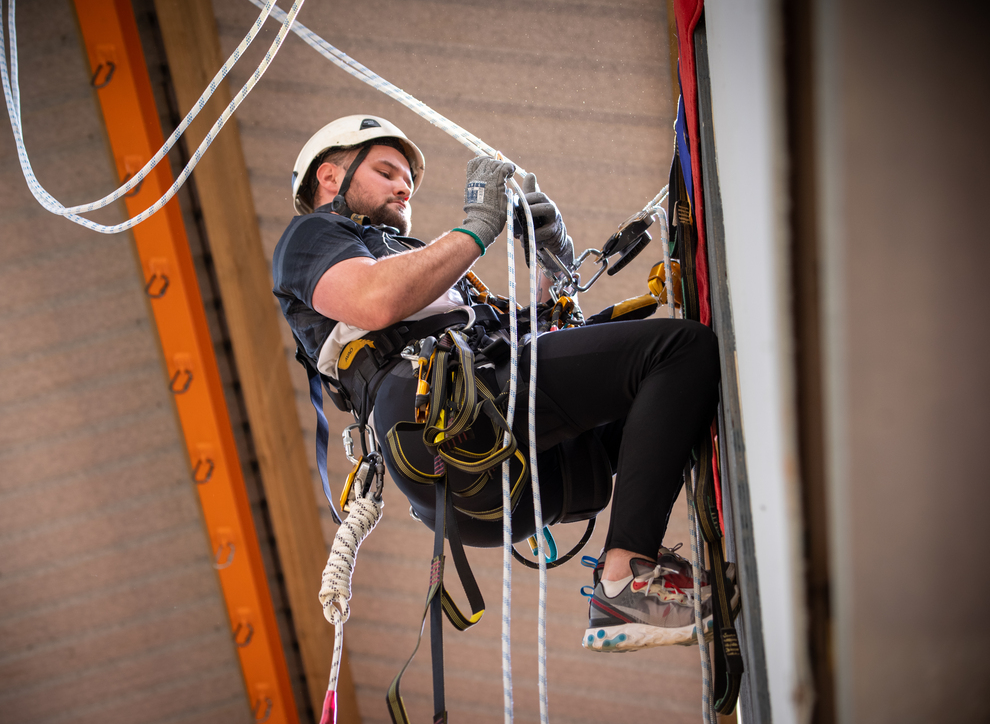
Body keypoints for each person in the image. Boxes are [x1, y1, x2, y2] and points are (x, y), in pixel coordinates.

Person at [272, 114, 729, 652]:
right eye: (387, 171)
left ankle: (630, 583)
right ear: (330, 177)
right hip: (449, 423)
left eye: (408, 182)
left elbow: (531, 338)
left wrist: (552, 260)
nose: (403, 187)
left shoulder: (427, 273)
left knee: (667, 394)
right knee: (680, 350)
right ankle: (625, 580)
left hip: (485, 437)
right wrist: (478, 225)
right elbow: (375, 300)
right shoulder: (312, 237)